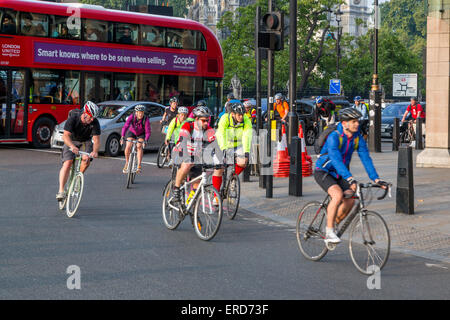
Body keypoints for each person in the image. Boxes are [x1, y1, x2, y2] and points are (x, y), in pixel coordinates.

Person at [314, 108, 388, 245]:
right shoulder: (334, 137)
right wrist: (349, 178)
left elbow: (366, 158)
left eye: (357, 121)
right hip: (324, 171)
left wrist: (376, 179)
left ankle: (334, 222)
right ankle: (329, 231)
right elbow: (335, 159)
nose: (357, 124)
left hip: (341, 172)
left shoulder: (357, 138)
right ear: (344, 123)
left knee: (350, 199)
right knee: (337, 195)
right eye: (353, 121)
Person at [171, 106, 223, 210]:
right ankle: (176, 189)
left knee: (197, 183)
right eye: (203, 120)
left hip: (196, 156)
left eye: (207, 121)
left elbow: (215, 147)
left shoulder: (208, 129)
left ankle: (191, 204)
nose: (206, 123)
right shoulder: (187, 126)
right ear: (196, 119)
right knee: (187, 164)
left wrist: (220, 161)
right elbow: (183, 142)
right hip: (180, 151)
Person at [56, 101, 101, 201]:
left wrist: (95, 151)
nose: (92, 119)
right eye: (91, 116)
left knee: (86, 159)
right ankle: (61, 191)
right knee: (68, 163)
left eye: (94, 117)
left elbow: (96, 140)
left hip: (86, 141)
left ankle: (78, 178)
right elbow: (65, 136)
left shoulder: (94, 122)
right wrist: (72, 146)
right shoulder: (74, 118)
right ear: (85, 113)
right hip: (71, 140)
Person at [215, 101, 253, 194]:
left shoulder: (246, 120)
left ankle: (232, 177)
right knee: (219, 168)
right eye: (239, 115)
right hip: (222, 144)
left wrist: (247, 152)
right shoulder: (225, 118)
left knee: (243, 162)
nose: (241, 117)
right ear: (232, 114)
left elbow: (247, 136)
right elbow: (220, 134)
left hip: (237, 145)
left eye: (242, 114)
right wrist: (223, 149)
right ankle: (216, 195)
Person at [121, 105, 151, 174]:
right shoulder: (132, 116)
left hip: (141, 133)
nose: (140, 114)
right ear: (136, 112)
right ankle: (127, 163)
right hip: (132, 132)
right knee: (128, 145)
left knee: (139, 146)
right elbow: (125, 126)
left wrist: (146, 140)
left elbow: (148, 131)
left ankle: (139, 165)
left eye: (142, 112)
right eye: (139, 112)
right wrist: (122, 136)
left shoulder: (145, 119)